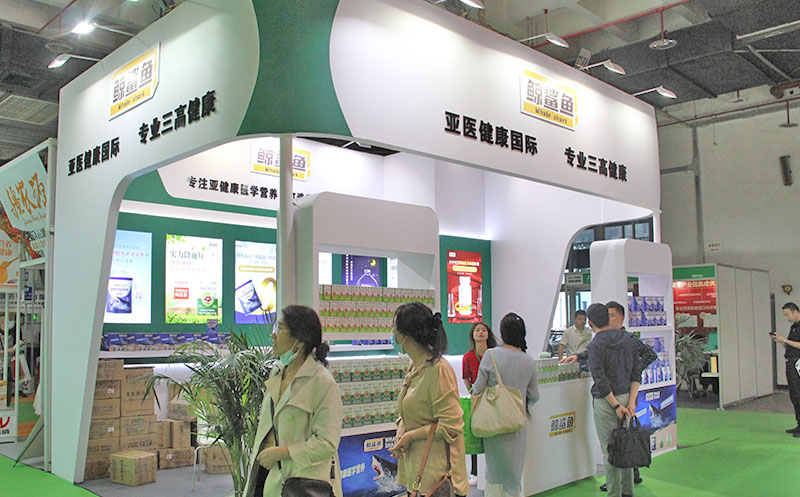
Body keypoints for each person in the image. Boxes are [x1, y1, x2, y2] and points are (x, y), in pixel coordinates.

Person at [244, 305, 343, 497]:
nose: (273, 335)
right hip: (269, 477)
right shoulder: (277, 371)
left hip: (304, 484)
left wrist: (283, 452)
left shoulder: (322, 382)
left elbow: (327, 443)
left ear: (298, 341)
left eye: (280, 329)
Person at [388, 302, 469, 497]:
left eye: (394, 326)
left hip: (437, 478)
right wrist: (402, 429)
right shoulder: (416, 367)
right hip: (418, 476)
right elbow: (412, 412)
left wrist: (411, 436)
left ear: (406, 334)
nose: (392, 331)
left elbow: (451, 427)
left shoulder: (438, 370)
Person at [471, 313, 539, 497]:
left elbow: (477, 388)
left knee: (494, 473)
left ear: (501, 333)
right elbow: (534, 396)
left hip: (494, 421)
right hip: (518, 424)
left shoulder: (491, 355)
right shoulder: (529, 361)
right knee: (513, 474)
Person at [585, 303, 643, 497]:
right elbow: (636, 372)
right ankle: (628, 491)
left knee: (610, 450)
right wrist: (631, 402)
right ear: (608, 319)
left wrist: (616, 405)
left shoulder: (595, 345)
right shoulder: (629, 340)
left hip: (607, 402)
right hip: (628, 397)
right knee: (625, 446)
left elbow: (601, 380)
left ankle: (614, 493)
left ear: (590, 323)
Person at [461, 321, 497, 485]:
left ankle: (492, 467)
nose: (480, 332)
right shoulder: (468, 357)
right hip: (477, 398)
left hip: (494, 398)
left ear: (488, 334)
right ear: (473, 335)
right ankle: (475, 471)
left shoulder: (495, 354)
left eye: (483, 330)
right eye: (477, 330)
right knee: (476, 432)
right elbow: (466, 378)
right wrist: (474, 394)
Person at [772, 302, 800, 437]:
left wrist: (786, 340)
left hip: (798, 362)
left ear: (795, 312)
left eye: (788, 315)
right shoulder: (793, 327)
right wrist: (780, 341)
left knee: (799, 394)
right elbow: (791, 346)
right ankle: (799, 423)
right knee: (794, 394)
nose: (787, 318)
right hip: (790, 362)